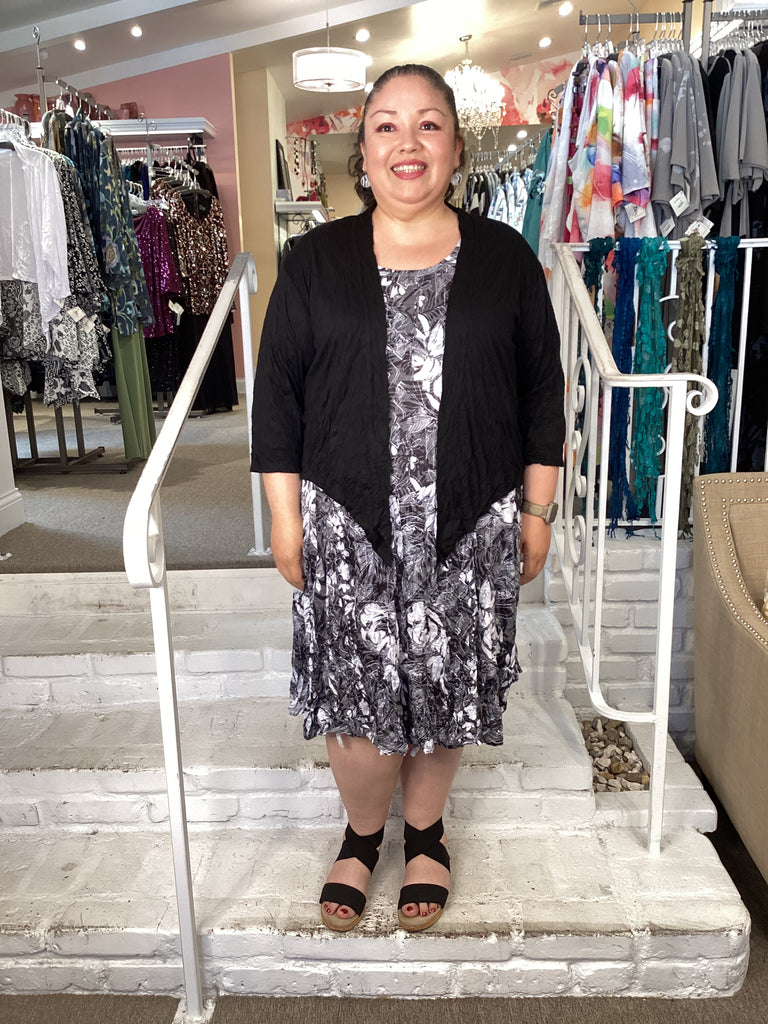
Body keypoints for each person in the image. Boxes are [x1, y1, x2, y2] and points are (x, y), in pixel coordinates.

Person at [251, 64, 565, 933]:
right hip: (347, 522)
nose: (408, 142)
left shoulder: (505, 257)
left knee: (446, 682)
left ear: (456, 148)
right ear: (363, 152)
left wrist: (537, 510)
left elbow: (543, 393)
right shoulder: (313, 263)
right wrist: (285, 518)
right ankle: (361, 835)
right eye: (387, 125)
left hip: (471, 515)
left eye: (429, 124)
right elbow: (277, 400)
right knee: (357, 697)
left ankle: (425, 831)